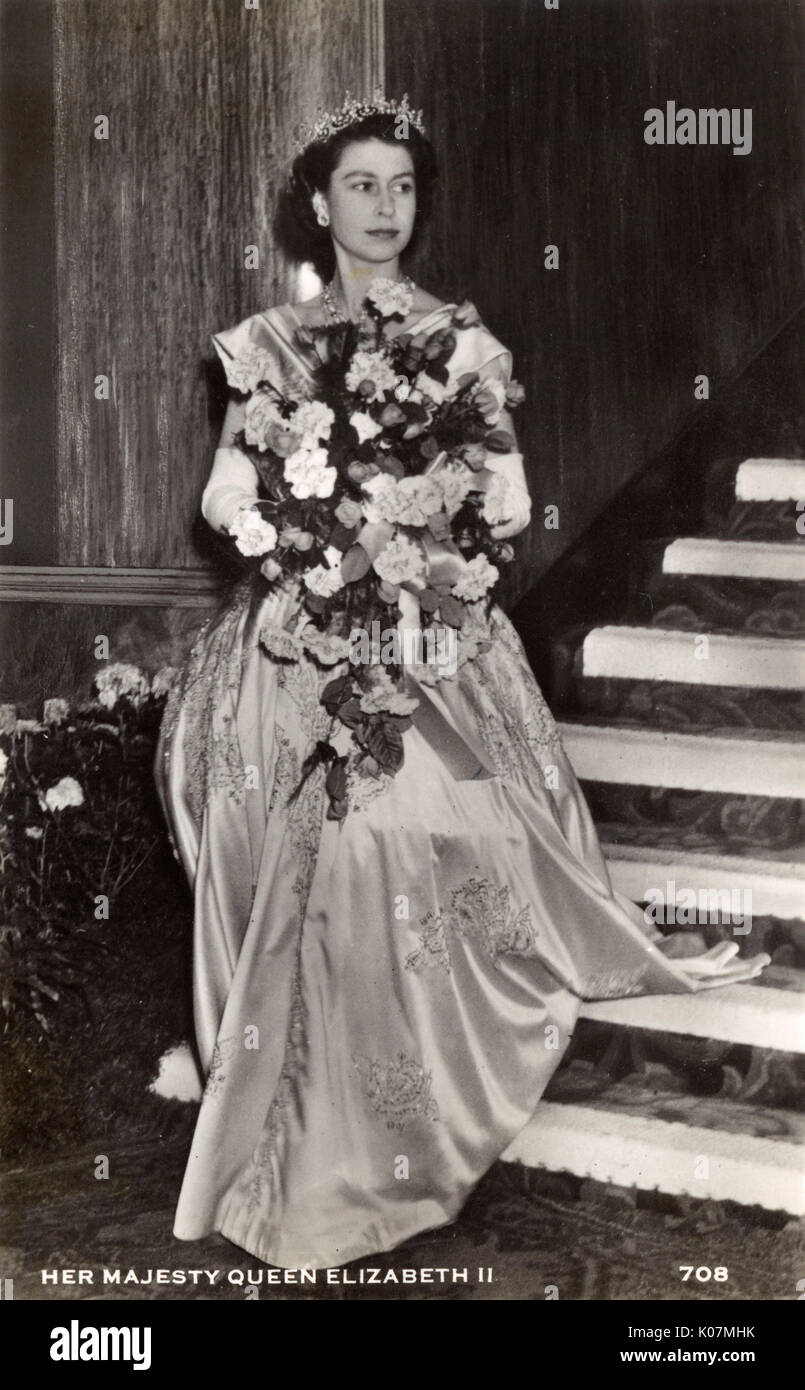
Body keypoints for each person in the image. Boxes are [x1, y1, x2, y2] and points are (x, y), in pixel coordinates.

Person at [155, 91, 769, 1272]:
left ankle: (397, 1124)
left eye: (403, 188)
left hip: (429, 628)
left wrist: (426, 553)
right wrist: (301, 542)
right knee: (284, 832)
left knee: (423, 826)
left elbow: (498, 497)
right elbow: (224, 494)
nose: (385, 208)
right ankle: (290, 1125)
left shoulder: (462, 342)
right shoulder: (266, 345)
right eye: (362, 186)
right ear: (318, 204)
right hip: (302, 620)